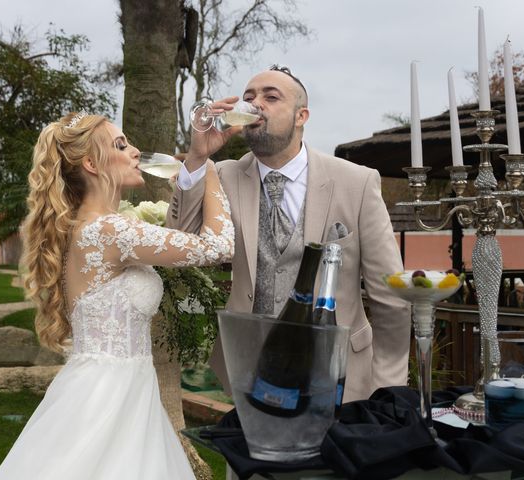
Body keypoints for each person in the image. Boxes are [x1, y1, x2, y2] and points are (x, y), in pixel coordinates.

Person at [0, 111, 234, 480]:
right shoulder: (112, 231)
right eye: (121, 144)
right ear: (91, 163)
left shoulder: (92, 227)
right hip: (108, 395)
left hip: (120, 387)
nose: (136, 151)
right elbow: (219, 246)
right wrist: (210, 169)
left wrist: (195, 165)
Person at [166, 66, 411, 403]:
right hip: (248, 372)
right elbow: (178, 241)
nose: (256, 104)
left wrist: (388, 390)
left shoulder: (357, 182)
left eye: (271, 96)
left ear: (301, 116)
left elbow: (391, 296)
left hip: (339, 374)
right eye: (249, 97)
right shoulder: (221, 176)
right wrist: (197, 156)